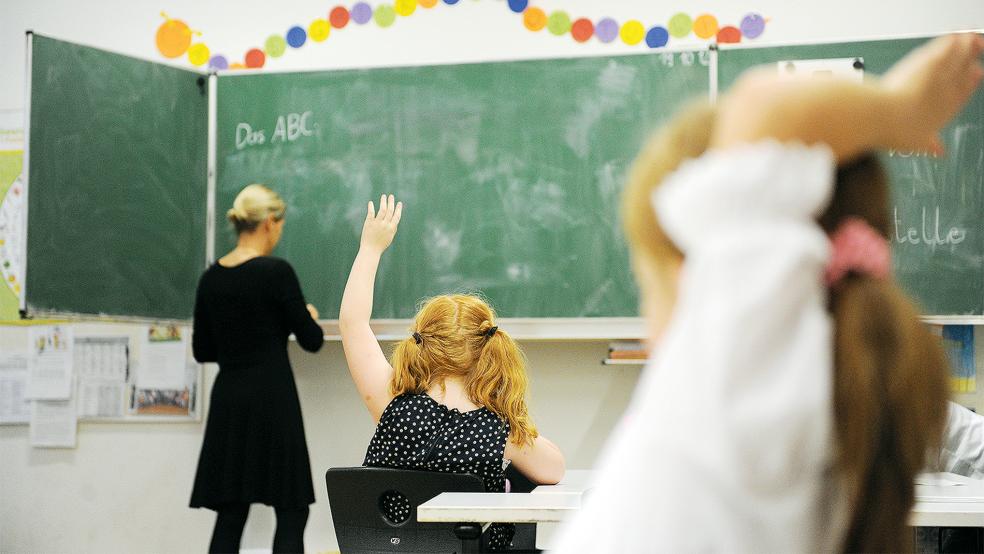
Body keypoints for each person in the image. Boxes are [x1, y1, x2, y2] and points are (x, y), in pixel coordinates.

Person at [554, 33, 983, 552]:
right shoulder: (823, 423)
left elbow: (765, 108)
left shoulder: (730, 396)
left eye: (647, 284)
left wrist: (905, 109)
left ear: (700, 272)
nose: (649, 315)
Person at [339, 194, 566, 550]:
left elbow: (352, 324)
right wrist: (518, 425)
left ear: (422, 342)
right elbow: (554, 470)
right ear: (490, 351)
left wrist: (370, 248)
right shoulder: (497, 429)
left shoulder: (392, 404)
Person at [190, 184, 324, 554]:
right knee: (292, 509)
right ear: (269, 223)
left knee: (230, 513)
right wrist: (306, 316)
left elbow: (203, 351)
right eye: (279, 223)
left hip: (230, 400)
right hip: (272, 399)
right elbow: (311, 339)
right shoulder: (276, 272)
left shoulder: (211, 277)